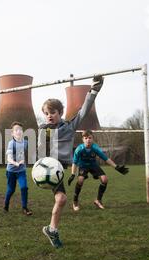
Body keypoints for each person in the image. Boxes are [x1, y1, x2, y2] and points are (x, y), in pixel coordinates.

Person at [39, 76, 104, 249]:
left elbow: (84, 110)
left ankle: (52, 229)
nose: (49, 116)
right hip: (50, 169)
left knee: (61, 200)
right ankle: (52, 229)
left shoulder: (69, 126)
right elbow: (39, 149)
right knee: (61, 198)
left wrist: (94, 90)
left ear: (60, 113)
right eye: (46, 113)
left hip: (60, 169)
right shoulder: (43, 130)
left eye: (52, 112)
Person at [68, 130, 129, 211]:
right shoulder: (79, 149)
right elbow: (74, 162)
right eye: (86, 138)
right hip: (83, 166)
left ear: (92, 139)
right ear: (83, 139)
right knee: (80, 180)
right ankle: (75, 202)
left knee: (104, 179)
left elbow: (106, 159)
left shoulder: (95, 148)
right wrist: (72, 174)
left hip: (93, 165)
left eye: (90, 138)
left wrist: (116, 167)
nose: (88, 140)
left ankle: (98, 200)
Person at [4, 121, 33, 216]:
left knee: (24, 187)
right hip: (11, 171)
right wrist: (16, 163)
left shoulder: (25, 142)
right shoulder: (11, 144)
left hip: (21, 171)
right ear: (12, 133)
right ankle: (6, 204)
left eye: (20, 130)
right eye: (16, 130)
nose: (19, 131)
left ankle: (25, 207)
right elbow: (9, 158)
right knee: (11, 190)